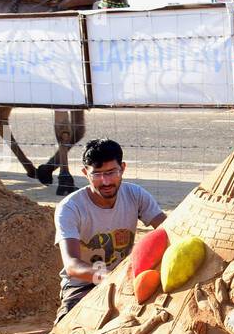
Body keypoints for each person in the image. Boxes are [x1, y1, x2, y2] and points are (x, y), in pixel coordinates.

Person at [53, 138, 166, 323]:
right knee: (65, 333)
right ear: (85, 173)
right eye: (96, 174)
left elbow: (166, 230)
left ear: (122, 168)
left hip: (127, 282)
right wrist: (111, 278)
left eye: (111, 172)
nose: (105, 181)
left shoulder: (135, 195)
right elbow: (72, 265)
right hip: (83, 286)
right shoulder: (70, 208)